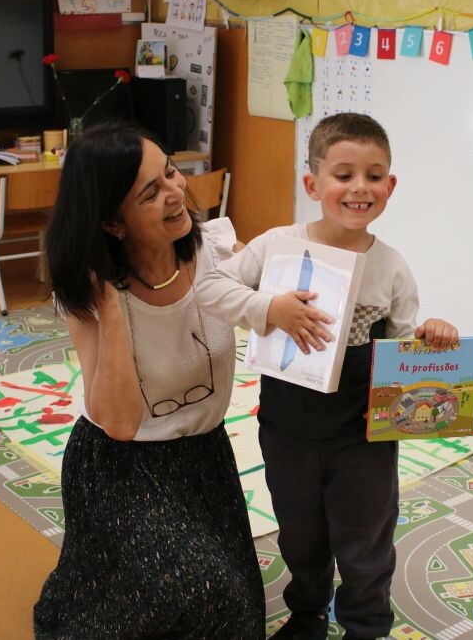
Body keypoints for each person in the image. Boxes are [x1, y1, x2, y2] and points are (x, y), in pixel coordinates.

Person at [195, 113, 458, 640]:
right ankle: (308, 613)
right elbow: (209, 289)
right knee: (300, 533)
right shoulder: (276, 245)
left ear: (390, 186)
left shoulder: (393, 267)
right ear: (312, 184)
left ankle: (366, 625)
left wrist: (431, 338)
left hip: (362, 438)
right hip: (287, 428)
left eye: (374, 175)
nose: (360, 187)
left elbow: (403, 352)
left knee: (366, 539)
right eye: (344, 174)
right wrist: (270, 308)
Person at [33, 121, 265, 639]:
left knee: (234, 614)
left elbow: (297, 293)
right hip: (120, 467)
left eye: (172, 173)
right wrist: (112, 307)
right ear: (113, 223)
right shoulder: (87, 292)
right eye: (150, 192)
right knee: (195, 589)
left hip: (204, 458)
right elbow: (117, 423)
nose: (175, 193)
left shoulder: (218, 250)